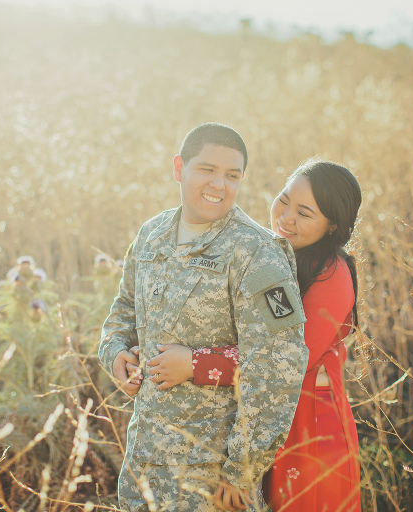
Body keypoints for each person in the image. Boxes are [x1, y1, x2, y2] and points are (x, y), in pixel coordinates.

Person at [98, 123, 309, 512]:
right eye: (207, 170)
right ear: (179, 168)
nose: (219, 185)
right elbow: (123, 308)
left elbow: (280, 365)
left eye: (232, 175)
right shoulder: (151, 235)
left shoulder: (256, 252)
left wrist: (242, 471)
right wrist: (114, 354)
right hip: (142, 470)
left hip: (211, 480)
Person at [134, 159, 363, 512]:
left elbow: (287, 358)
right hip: (262, 417)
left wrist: (194, 364)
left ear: (332, 225)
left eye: (304, 213)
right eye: (284, 200)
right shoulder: (263, 252)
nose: (286, 217)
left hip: (308, 426)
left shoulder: (331, 274)